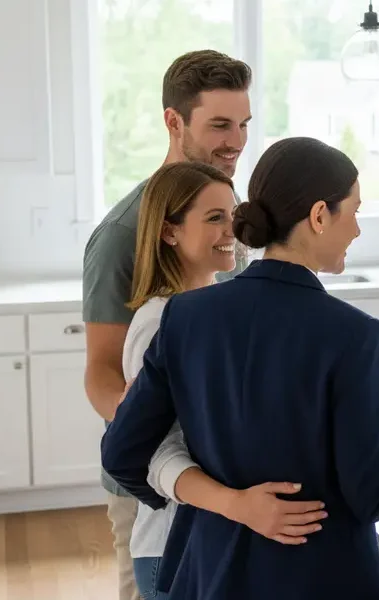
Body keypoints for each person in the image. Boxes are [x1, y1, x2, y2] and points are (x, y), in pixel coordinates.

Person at [101, 137, 379, 600]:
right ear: (318, 216)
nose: (356, 230)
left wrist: (214, 508)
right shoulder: (353, 335)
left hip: (207, 576)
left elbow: (121, 454)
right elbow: (373, 495)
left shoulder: (185, 317)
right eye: (353, 212)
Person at [81, 49, 253, 600]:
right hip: (151, 491)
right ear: (173, 122)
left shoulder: (228, 220)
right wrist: (159, 450)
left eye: (244, 124)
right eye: (220, 125)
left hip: (218, 480)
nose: (237, 141)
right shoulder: (121, 236)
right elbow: (102, 374)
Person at [121, 161, 327, 599]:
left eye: (232, 216)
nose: (230, 230)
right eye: (213, 218)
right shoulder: (158, 321)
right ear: (169, 231)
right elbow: (155, 452)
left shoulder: (220, 310)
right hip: (171, 548)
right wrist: (237, 505)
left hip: (221, 535)